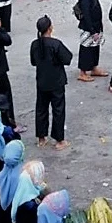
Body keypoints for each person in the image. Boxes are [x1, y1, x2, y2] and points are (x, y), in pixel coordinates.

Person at [31, 15, 72, 150]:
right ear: (50, 28)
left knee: (41, 109)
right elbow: (67, 58)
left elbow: (33, 62)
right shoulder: (55, 44)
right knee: (58, 110)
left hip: (41, 81)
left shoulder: (35, 44)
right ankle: (59, 139)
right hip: (56, 81)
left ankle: (41, 138)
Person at [74, 0, 107, 82]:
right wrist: (93, 31)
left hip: (95, 26)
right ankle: (82, 72)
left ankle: (93, 67)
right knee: (86, 49)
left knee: (94, 47)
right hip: (88, 28)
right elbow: (87, 15)